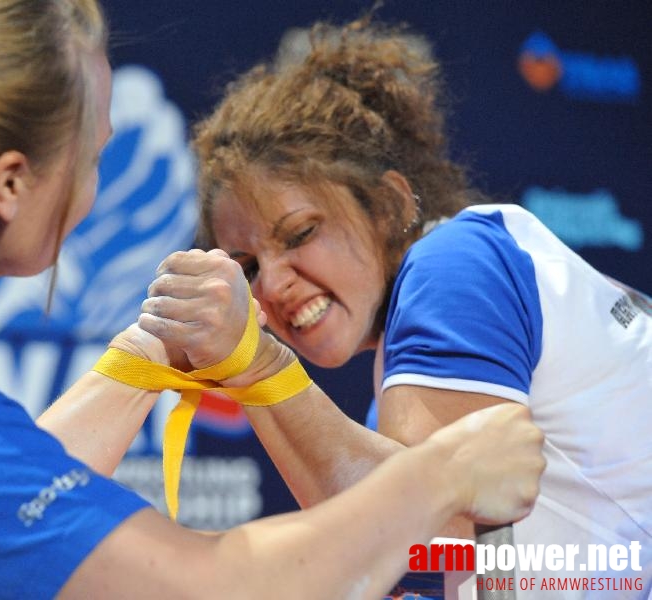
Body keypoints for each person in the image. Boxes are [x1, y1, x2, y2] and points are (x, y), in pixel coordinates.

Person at [0, 1, 545, 598]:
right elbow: (215, 587)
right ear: (11, 184)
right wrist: (441, 473)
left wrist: (141, 356)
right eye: (94, 159)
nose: (94, 194)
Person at [146, 16, 651, 597]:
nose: (274, 285)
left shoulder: (454, 264)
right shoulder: (398, 396)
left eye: (300, 232)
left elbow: (435, 518)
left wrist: (256, 364)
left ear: (388, 205)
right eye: (250, 267)